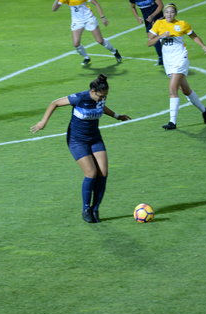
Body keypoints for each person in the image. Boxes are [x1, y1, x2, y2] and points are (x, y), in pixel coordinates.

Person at [30, 74, 131, 223]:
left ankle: (95, 208)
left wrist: (117, 116)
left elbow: (101, 108)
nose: (102, 99)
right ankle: (86, 209)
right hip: (77, 140)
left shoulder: (100, 98)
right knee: (91, 173)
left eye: (105, 96)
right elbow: (55, 103)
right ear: (92, 91)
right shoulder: (80, 98)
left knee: (103, 173)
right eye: (100, 96)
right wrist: (43, 122)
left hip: (95, 138)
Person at [148, 3, 206, 130]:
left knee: (172, 89)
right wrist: (161, 36)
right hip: (168, 61)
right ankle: (204, 110)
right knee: (185, 90)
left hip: (180, 58)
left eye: (172, 12)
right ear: (164, 13)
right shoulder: (159, 24)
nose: (169, 14)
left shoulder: (182, 24)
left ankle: (172, 122)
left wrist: (203, 46)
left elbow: (193, 36)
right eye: (167, 12)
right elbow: (149, 42)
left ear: (175, 13)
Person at [52, 0, 122, 67]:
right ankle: (86, 58)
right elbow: (54, 9)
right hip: (77, 21)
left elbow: (96, 3)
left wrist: (102, 17)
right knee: (76, 43)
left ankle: (114, 51)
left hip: (89, 18)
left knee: (100, 41)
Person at [129, 0, 164, 65]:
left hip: (158, 18)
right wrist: (137, 17)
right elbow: (132, 7)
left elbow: (161, 6)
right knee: (151, 38)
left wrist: (153, 16)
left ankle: (163, 57)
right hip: (148, 20)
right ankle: (161, 57)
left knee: (161, 37)